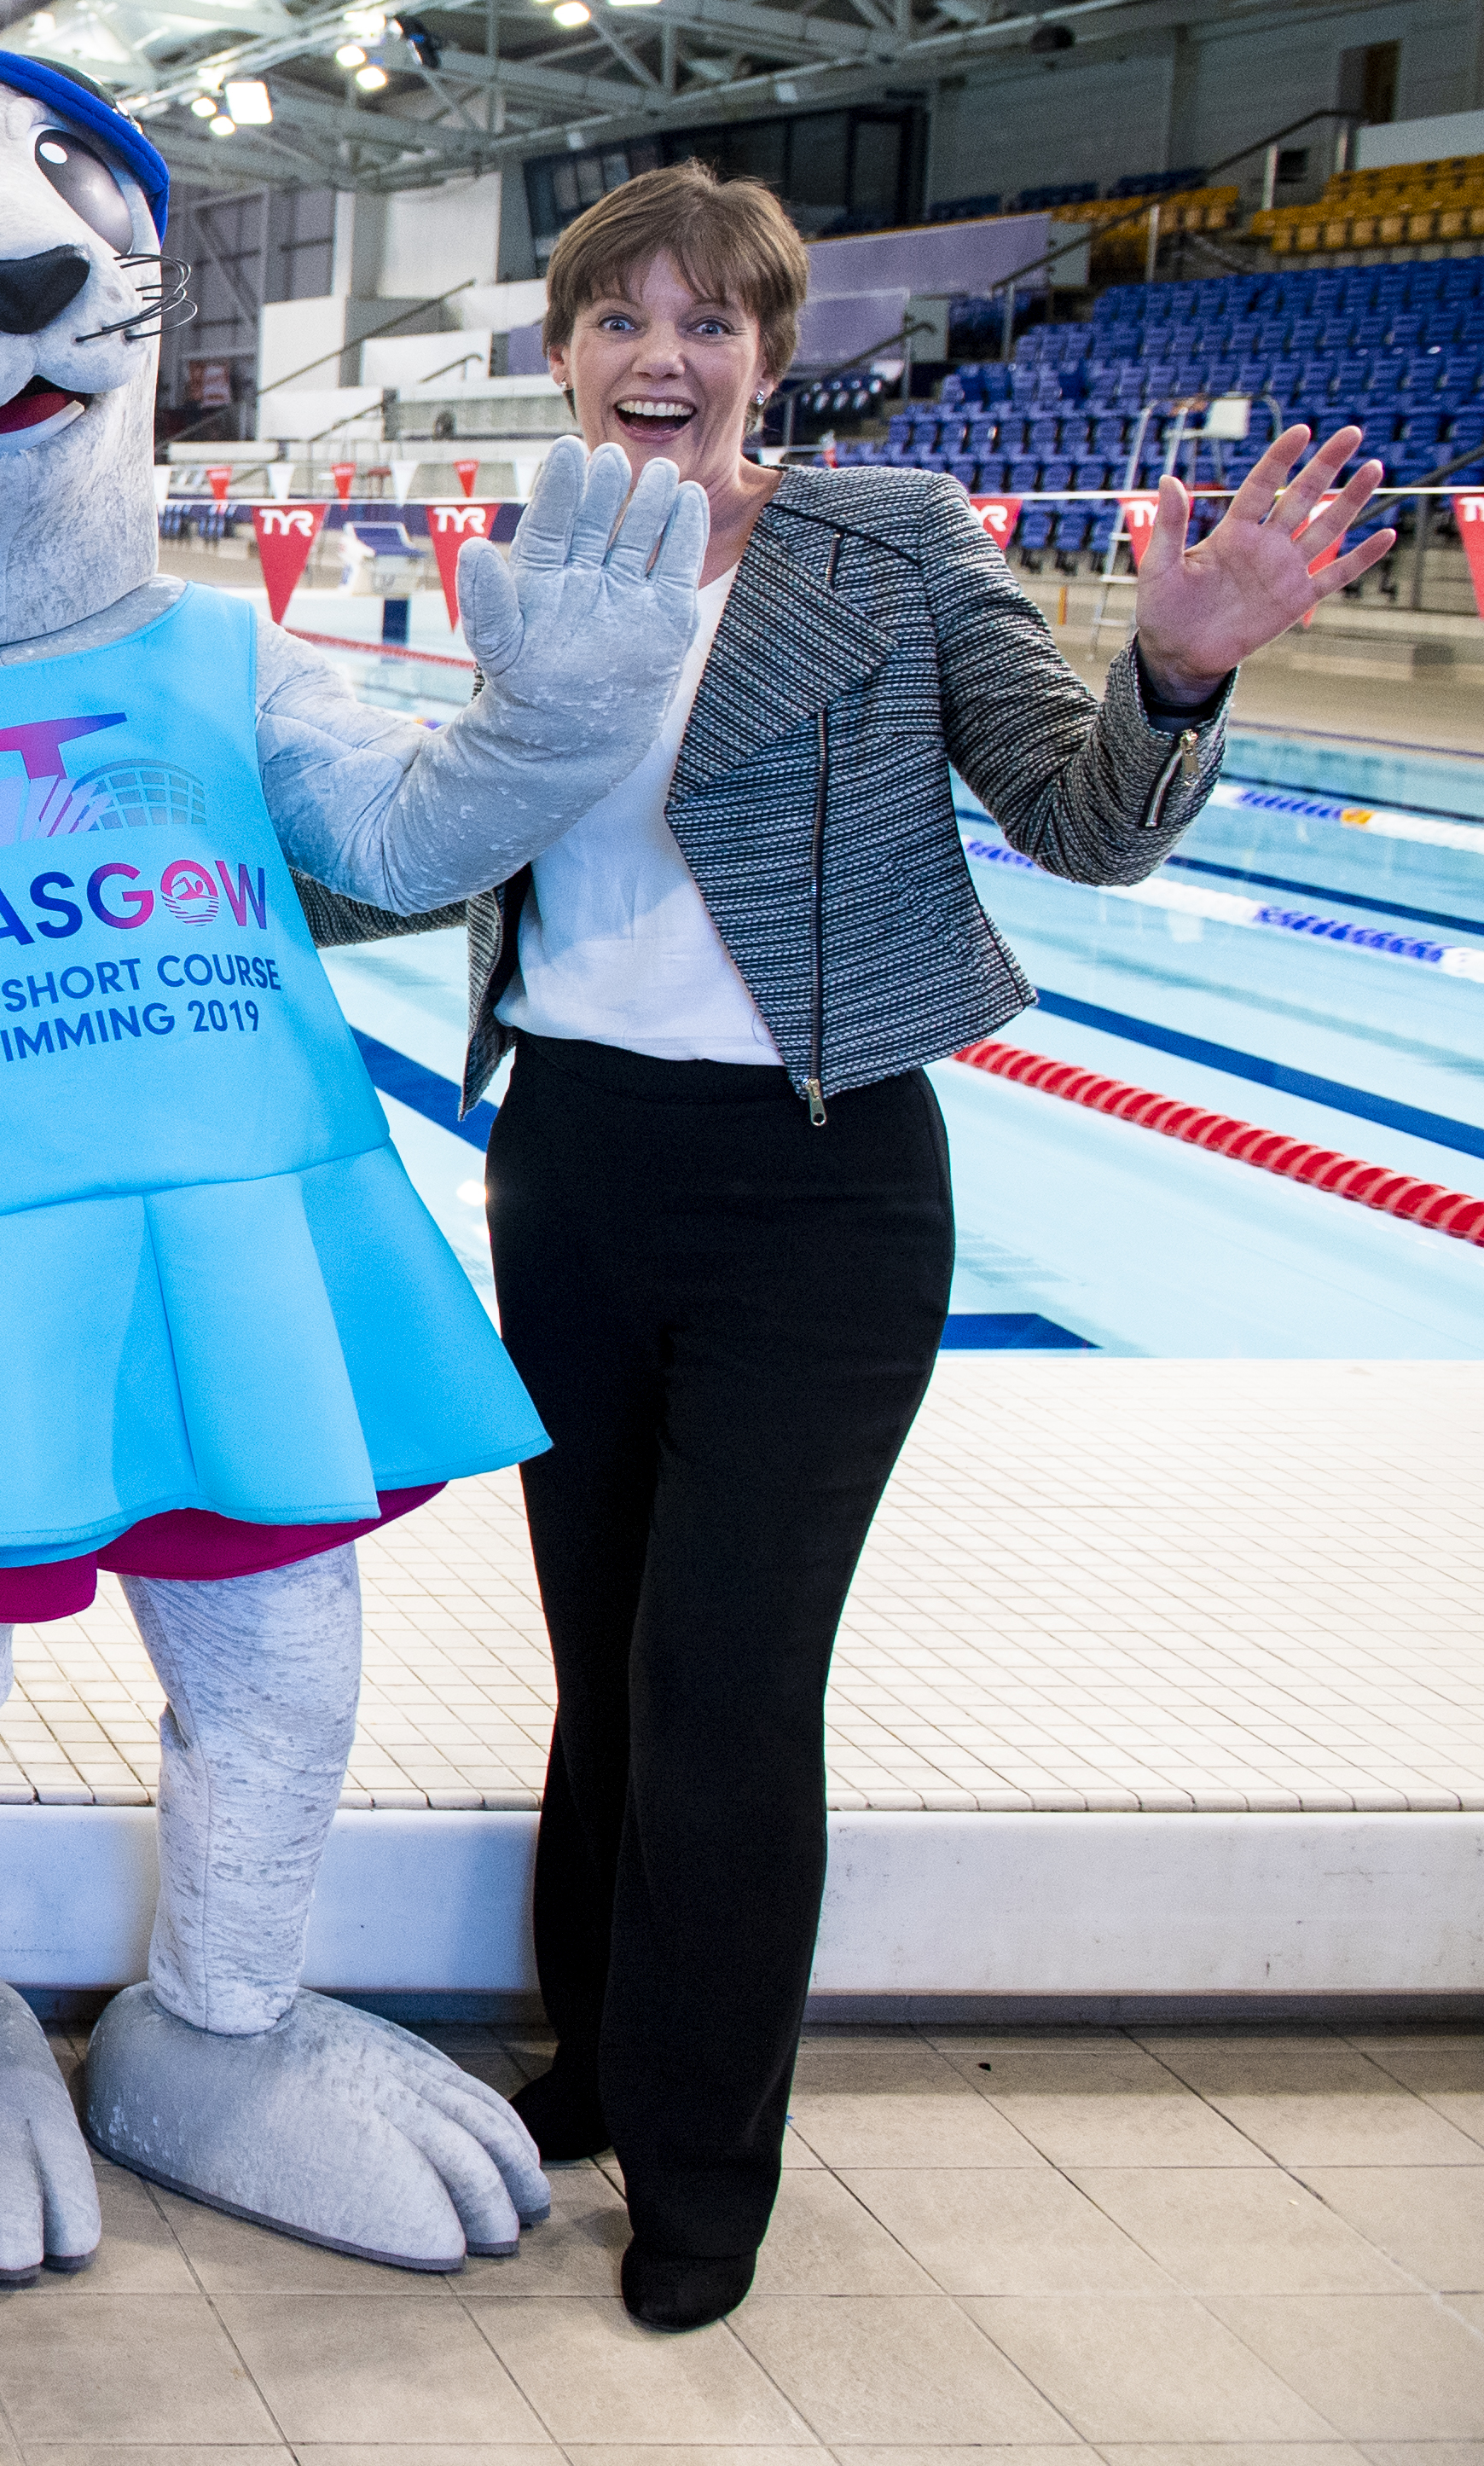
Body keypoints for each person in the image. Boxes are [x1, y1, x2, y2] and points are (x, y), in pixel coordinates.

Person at [469, 160, 1389, 2332]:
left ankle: (705, 2180)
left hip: (815, 1191)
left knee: (719, 1685)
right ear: (564, 353)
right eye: (618, 319)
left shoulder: (884, 542)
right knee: (598, 1660)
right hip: (570, 1163)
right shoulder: (535, 560)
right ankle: (594, 2062)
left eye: (706, 321)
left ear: (770, 356)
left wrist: (1164, 673)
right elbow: (467, 837)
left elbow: (1075, 824)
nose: (659, 356)